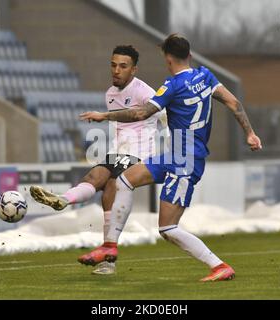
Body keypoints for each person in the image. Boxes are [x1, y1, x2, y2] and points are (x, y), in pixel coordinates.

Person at [79, 34, 262, 282]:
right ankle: (109, 245)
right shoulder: (205, 76)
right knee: (124, 180)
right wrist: (250, 133)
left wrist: (105, 116)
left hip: (186, 161)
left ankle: (218, 265)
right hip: (174, 155)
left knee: (167, 228)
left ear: (168, 59)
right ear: (189, 55)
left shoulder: (172, 85)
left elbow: (141, 113)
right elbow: (233, 102)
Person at [30, 45, 167, 275]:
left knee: (111, 189)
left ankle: (108, 261)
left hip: (140, 153)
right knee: (93, 177)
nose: (116, 70)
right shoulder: (110, 94)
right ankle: (63, 200)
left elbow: (165, 116)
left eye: (123, 66)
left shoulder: (145, 92)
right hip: (118, 151)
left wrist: (175, 145)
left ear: (134, 69)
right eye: (113, 65)